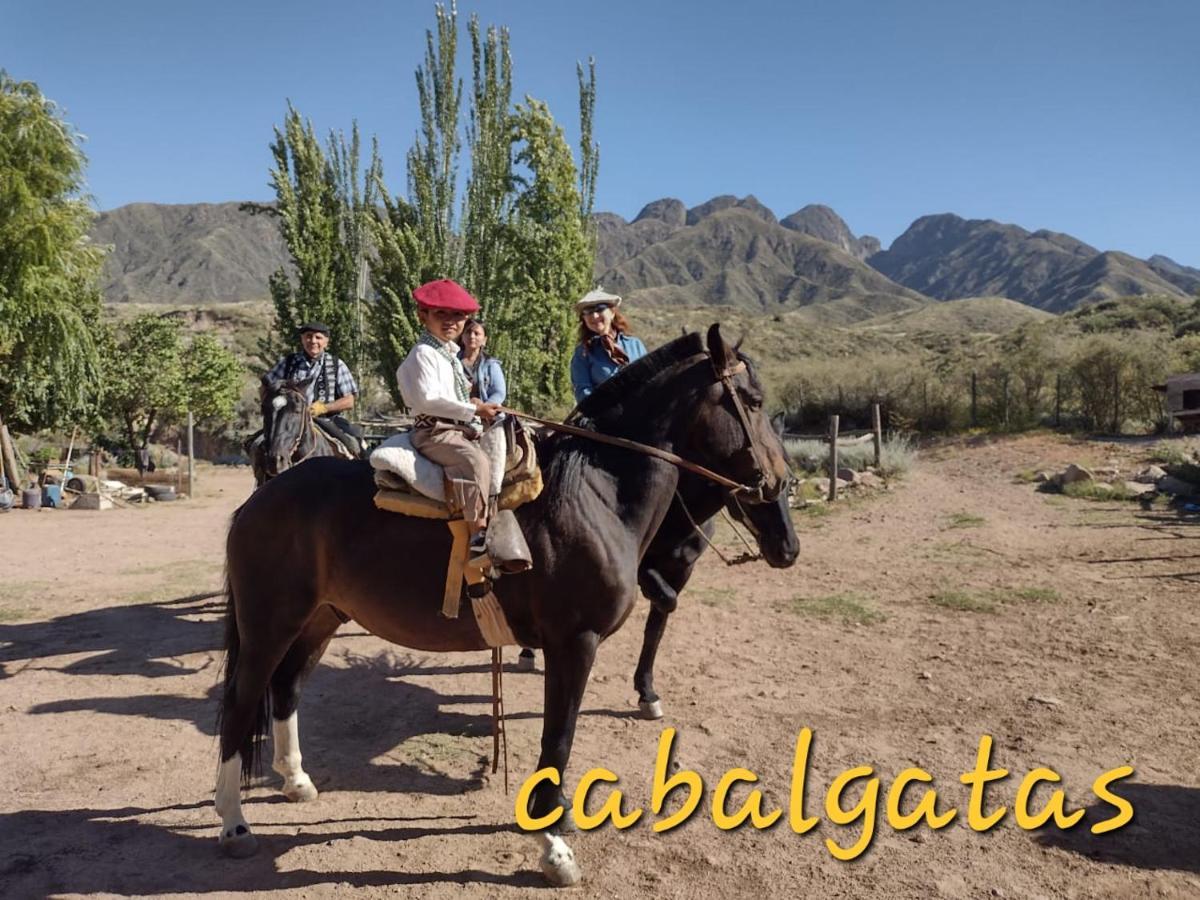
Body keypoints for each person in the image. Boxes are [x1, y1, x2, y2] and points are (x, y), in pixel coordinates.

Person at [397, 280, 501, 564]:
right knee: (476, 462)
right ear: (423, 316)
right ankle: (478, 536)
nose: (450, 322)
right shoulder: (424, 353)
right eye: (440, 314)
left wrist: (476, 406)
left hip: (455, 427)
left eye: (457, 316)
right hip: (435, 432)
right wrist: (473, 410)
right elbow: (429, 399)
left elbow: (449, 394)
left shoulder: (448, 354)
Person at [266, 322, 364, 456]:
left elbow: (349, 401)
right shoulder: (288, 362)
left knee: (354, 445)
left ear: (326, 341)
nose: (313, 341)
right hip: (289, 422)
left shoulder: (336, 364)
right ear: (302, 339)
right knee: (259, 445)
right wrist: (271, 408)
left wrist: (323, 408)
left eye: (318, 337)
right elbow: (266, 385)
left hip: (327, 420)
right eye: (308, 336)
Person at [570, 287, 648, 404]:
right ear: (584, 319)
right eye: (588, 312)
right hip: (603, 416)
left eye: (599, 309)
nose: (594, 316)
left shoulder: (635, 344)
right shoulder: (583, 352)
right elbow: (582, 390)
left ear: (612, 313)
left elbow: (650, 379)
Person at [458, 319, 507, 405]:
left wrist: (484, 408)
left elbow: (499, 393)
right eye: (468, 332)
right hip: (456, 410)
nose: (472, 336)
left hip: (483, 413)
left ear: (484, 340)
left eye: (476, 333)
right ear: (462, 336)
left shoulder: (491, 365)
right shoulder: (452, 360)